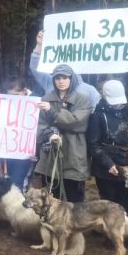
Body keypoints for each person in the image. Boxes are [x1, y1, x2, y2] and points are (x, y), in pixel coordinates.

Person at [88, 80, 128, 223]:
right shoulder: (97, 115)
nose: (117, 104)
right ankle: (111, 235)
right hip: (106, 166)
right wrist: (108, 164)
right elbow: (93, 144)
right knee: (110, 202)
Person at [35, 64, 92, 202]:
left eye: (65, 77)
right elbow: (39, 124)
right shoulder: (46, 98)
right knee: (50, 197)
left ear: (72, 79)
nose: (61, 81)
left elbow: (76, 122)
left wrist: (52, 111)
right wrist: (48, 134)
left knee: (74, 199)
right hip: (51, 154)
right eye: (57, 78)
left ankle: (74, 224)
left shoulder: (82, 99)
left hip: (73, 151)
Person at [29, 30, 101, 109]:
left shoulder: (90, 90)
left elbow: (94, 114)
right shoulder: (51, 82)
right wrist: (39, 45)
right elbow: (35, 68)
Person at [2, 76, 36, 190]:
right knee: (9, 180)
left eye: (16, 95)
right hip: (9, 151)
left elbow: (39, 128)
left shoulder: (35, 104)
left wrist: (36, 150)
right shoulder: (4, 105)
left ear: (25, 91)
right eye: (9, 96)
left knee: (17, 183)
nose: (13, 99)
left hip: (25, 153)